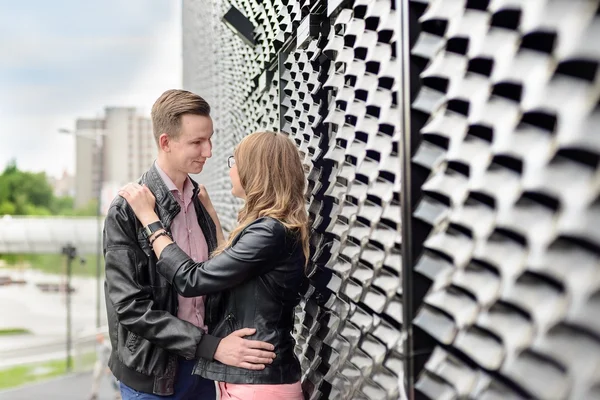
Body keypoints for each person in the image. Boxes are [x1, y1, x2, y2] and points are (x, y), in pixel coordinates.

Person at [103, 90, 277, 400]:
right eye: (197, 142)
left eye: (209, 140)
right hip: (154, 376)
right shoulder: (128, 209)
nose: (208, 151)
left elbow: (214, 279)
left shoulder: (200, 202)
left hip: (203, 368)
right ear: (166, 142)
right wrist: (214, 347)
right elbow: (129, 307)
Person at [118, 131, 308, 400]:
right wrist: (213, 220)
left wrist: (151, 221)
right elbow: (231, 271)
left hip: (259, 384)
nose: (231, 169)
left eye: (235, 162)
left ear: (255, 171)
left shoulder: (270, 232)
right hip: (254, 380)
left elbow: (191, 280)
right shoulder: (272, 229)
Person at [89, 333, 121, 400]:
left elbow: (111, 354)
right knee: (96, 377)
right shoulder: (98, 345)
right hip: (100, 363)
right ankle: (94, 393)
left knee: (113, 380)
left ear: (102, 337)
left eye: (99, 338)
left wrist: (109, 366)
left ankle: (117, 394)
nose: (97, 339)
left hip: (107, 364)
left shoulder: (107, 345)